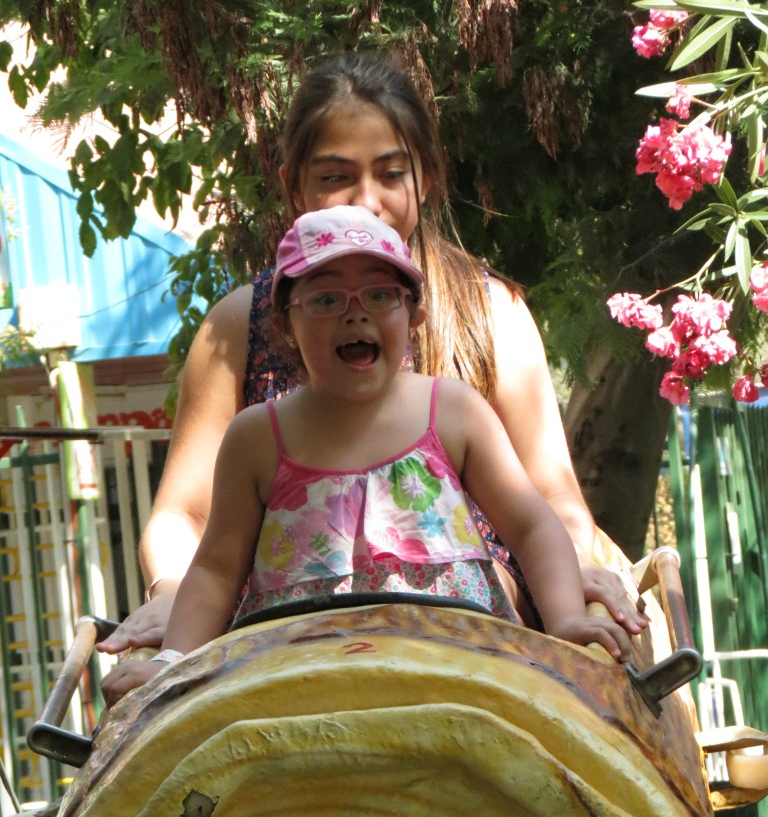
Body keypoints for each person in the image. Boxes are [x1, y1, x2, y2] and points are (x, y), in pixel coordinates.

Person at [96, 52, 645, 661]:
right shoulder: (241, 340)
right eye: (336, 176)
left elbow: (547, 504)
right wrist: (175, 602)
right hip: (286, 638)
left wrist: (567, 584)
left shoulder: (486, 321)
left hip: (474, 630)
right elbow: (189, 521)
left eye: (390, 173)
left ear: (425, 179)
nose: (365, 200)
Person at [101, 207, 631, 706]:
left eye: (380, 295)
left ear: (414, 311)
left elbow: (532, 526)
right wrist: (172, 659)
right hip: (298, 675)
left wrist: (564, 620)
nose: (355, 315)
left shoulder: (452, 411)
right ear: (284, 321)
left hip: (459, 663)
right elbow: (216, 570)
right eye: (326, 299)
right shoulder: (258, 436)